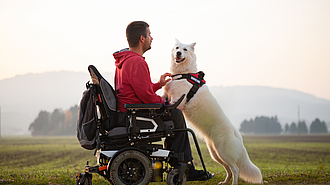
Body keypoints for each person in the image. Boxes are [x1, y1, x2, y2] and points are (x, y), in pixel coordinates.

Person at [113, 21, 213, 181]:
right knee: (176, 115)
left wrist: (158, 85)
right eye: (149, 34)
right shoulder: (137, 62)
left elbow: (137, 91)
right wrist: (165, 105)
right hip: (133, 115)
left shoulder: (125, 60)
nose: (152, 38)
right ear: (142, 39)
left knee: (172, 113)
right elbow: (145, 97)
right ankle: (185, 166)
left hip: (128, 111)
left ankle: (178, 162)